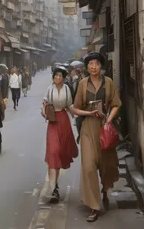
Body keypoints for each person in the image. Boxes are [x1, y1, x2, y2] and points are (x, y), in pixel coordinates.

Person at [73, 52, 121, 222]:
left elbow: (116, 104)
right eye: (90, 64)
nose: (93, 67)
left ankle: (105, 190)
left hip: (104, 127)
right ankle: (94, 205)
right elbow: (75, 108)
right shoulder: (82, 84)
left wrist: (108, 120)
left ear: (101, 66)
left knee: (106, 164)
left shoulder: (108, 82)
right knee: (88, 166)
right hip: (88, 127)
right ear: (86, 67)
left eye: (97, 64)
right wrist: (88, 112)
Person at [42, 66, 79, 203]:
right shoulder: (49, 89)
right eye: (56, 76)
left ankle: (55, 186)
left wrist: (77, 115)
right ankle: (52, 188)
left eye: (60, 76)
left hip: (63, 120)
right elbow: (44, 103)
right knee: (53, 151)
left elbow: (69, 105)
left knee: (61, 152)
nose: (58, 78)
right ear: (53, 77)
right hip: (52, 121)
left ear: (63, 78)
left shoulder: (66, 89)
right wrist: (44, 111)